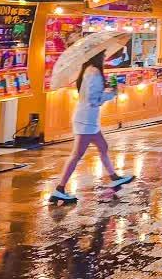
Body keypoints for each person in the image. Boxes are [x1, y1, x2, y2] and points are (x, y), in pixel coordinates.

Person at [52, 51, 134, 202]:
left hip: (89, 119)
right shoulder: (94, 72)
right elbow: (93, 99)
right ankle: (60, 188)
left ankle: (114, 177)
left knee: (103, 147)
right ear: (96, 56)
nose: (104, 58)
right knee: (76, 155)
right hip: (86, 121)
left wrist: (107, 89)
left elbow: (93, 94)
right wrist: (111, 93)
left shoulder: (89, 70)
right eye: (103, 55)